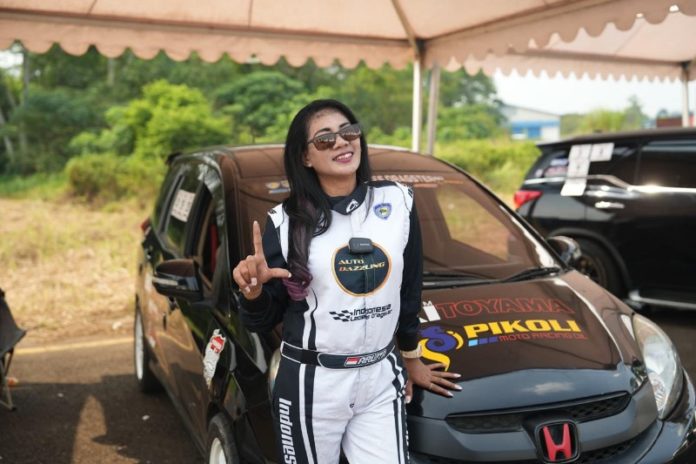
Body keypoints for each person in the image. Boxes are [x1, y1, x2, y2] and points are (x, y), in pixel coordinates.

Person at [233, 99, 460, 464]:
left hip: (380, 376)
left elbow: (409, 290)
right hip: (313, 383)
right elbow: (262, 319)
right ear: (305, 157)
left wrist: (411, 356)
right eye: (325, 139)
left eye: (349, 132)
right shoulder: (285, 222)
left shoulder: (397, 201)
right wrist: (254, 292)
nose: (341, 142)